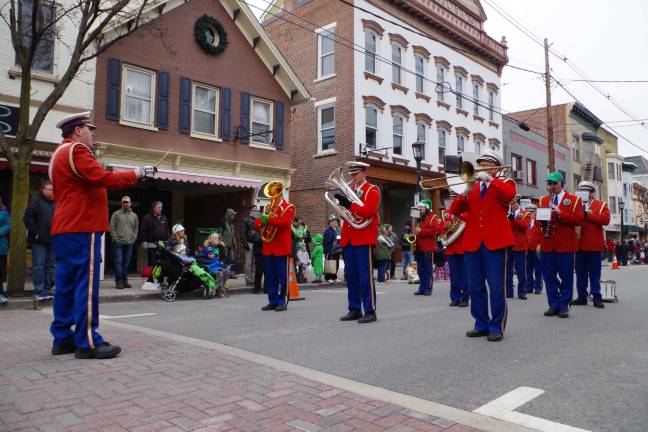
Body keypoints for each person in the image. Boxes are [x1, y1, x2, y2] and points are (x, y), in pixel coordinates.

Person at [49, 111, 155, 359]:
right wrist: (138, 173)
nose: (93, 134)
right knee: (86, 286)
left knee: (65, 285)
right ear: (77, 131)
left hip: (65, 227)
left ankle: (62, 338)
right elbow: (101, 178)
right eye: (90, 129)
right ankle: (88, 342)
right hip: (83, 227)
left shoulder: (58, 154)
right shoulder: (77, 150)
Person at [449, 150, 516, 342]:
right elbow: (454, 211)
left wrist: (490, 180)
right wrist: (466, 190)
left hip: (495, 242)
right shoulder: (474, 187)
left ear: (496, 168)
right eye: (481, 164)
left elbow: (509, 195)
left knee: (496, 286)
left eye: (487, 165)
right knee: (475, 286)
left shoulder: (504, 183)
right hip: (473, 243)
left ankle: (497, 325)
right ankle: (481, 323)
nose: (482, 167)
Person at [334, 161, 380, 323]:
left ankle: (370, 310)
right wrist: (342, 206)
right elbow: (347, 213)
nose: (352, 177)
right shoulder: (351, 191)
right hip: (349, 238)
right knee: (351, 276)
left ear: (363, 173)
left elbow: (369, 211)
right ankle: (354, 308)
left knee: (365, 276)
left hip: (363, 237)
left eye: (355, 174)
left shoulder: (372, 190)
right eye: (351, 174)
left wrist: (349, 204)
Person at [538, 172, 584, 319]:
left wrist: (560, 213)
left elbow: (579, 220)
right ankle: (553, 304)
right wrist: (541, 218)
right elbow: (540, 222)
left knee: (566, 276)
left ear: (561, 184)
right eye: (549, 184)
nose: (551, 187)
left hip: (566, 245)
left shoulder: (574, 200)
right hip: (547, 244)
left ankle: (564, 305)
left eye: (554, 184)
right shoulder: (543, 199)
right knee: (548, 276)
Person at [254, 181, 295, 311]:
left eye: (274, 194)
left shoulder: (289, 207)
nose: (271, 197)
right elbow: (258, 223)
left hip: (282, 248)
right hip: (268, 247)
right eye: (270, 195)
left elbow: (285, 223)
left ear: (280, 194)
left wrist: (269, 219)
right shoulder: (267, 208)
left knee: (283, 277)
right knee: (270, 276)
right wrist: (259, 222)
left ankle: (283, 301)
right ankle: (272, 300)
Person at [572, 181, 610, 308]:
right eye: (581, 190)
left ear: (592, 193)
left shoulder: (600, 205)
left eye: (586, 191)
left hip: (593, 245)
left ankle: (596, 297)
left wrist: (588, 214)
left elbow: (605, 220)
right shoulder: (575, 204)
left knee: (594, 273)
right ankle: (582, 297)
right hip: (578, 244)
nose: (583, 193)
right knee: (580, 272)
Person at [24, 179, 56, 300]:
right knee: (39, 266)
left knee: (51, 266)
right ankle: (39, 290)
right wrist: (36, 232)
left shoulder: (56, 202)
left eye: (54, 189)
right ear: (43, 190)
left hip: (54, 239)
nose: (53, 192)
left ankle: (47, 289)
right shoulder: (35, 201)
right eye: (50, 189)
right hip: (39, 240)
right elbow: (27, 218)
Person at [109, 196, 138, 290]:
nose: (125, 204)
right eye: (124, 202)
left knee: (126, 263)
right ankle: (119, 282)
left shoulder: (134, 216)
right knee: (118, 262)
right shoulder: (116, 214)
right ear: (121, 203)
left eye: (127, 202)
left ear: (130, 203)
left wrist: (133, 239)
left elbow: (136, 228)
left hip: (129, 242)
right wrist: (115, 238)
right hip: (118, 243)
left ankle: (125, 281)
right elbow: (112, 227)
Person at [414, 200, 442, 296]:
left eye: (421, 207)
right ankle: (421, 288)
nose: (419, 209)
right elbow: (414, 230)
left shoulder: (433, 217)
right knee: (420, 269)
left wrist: (421, 231)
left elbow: (434, 231)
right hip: (418, 247)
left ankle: (428, 288)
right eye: (419, 207)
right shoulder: (417, 218)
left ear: (426, 208)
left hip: (428, 247)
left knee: (428, 269)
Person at [442, 209, 468, 307]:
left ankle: (464, 298)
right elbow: (440, 229)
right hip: (451, 249)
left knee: (464, 275)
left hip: (463, 249)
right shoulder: (446, 213)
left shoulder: (465, 213)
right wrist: (445, 227)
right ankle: (455, 298)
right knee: (454, 276)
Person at [506, 196, 530, 300]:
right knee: (508, 270)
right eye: (511, 204)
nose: (512, 205)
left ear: (518, 203)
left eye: (514, 203)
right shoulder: (507, 215)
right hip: (509, 245)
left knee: (520, 271)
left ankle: (522, 292)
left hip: (520, 246)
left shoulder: (525, 214)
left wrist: (513, 218)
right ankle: (509, 292)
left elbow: (524, 226)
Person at [140, 201, 170, 281]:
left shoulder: (164, 218)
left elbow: (167, 231)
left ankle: (160, 280)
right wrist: (144, 242)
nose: (161, 209)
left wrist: (168, 242)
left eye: (161, 207)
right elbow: (143, 231)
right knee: (152, 263)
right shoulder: (147, 218)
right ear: (154, 208)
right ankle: (150, 280)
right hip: (151, 244)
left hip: (162, 245)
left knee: (162, 263)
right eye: (159, 207)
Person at [525, 205, 543, 294]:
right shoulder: (525, 222)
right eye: (528, 212)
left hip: (537, 249)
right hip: (527, 248)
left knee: (538, 269)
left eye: (532, 212)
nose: (530, 214)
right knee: (528, 269)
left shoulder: (539, 223)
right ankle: (529, 286)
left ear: (535, 213)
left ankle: (538, 287)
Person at [243, 206, 258, 286]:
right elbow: (243, 232)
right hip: (249, 242)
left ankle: (254, 279)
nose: (255, 211)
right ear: (250, 211)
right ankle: (248, 280)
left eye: (256, 210)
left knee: (255, 262)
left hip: (256, 243)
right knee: (248, 263)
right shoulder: (246, 220)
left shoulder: (258, 219)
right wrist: (245, 243)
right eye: (254, 210)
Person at [323, 215, 341, 282]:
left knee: (336, 264)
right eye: (333, 221)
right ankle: (328, 277)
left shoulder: (336, 231)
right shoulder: (328, 231)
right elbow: (327, 241)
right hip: (330, 250)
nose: (335, 223)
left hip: (336, 250)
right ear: (330, 223)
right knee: (330, 263)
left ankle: (334, 277)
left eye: (336, 222)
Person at [0, 195, 10, 305]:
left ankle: (1, 294)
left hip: (1, 245)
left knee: (0, 272)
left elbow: (8, 224)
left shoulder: (4, 211)